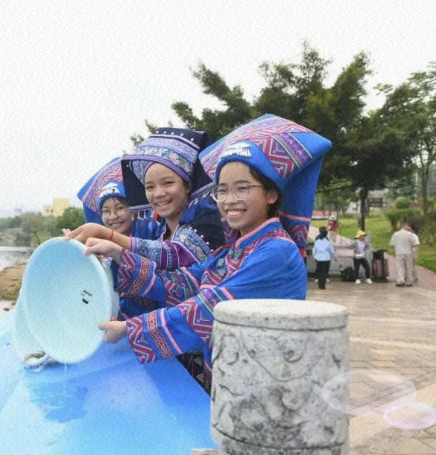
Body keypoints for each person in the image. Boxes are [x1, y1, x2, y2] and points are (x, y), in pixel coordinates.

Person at [87, 114, 332, 392]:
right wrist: (117, 253)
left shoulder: (276, 251)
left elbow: (210, 308)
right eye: (222, 190)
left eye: (242, 188)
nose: (229, 200)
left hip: (267, 390)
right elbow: (182, 283)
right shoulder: (232, 251)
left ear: (271, 194)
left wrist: (131, 329)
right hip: (229, 382)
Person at [67, 128, 225, 316]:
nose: (158, 193)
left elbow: (174, 255)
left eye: (168, 183)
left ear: (187, 184)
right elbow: (146, 288)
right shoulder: (159, 233)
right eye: (150, 187)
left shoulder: (206, 224)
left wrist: (107, 235)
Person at [76, 157, 160, 239]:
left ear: (134, 211)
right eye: (106, 211)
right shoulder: (97, 245)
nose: (112, 217)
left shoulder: (158, 236)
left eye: (119, 208)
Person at [390, 222, 419, 287]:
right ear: (405, 226)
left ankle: (401, 280)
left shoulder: (395, 234)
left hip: (399, 252)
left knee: (400, 267)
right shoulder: (410, 235)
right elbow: (414, 244)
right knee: (408, 267)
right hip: (408, 252)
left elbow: (392, 244)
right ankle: (409, 281)